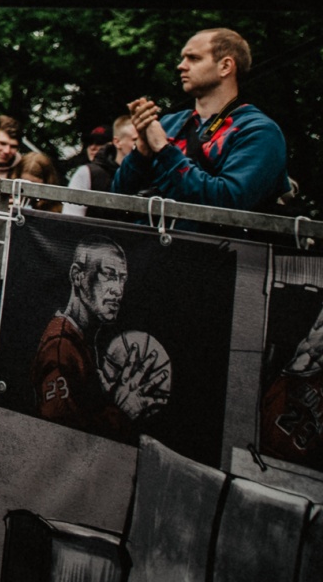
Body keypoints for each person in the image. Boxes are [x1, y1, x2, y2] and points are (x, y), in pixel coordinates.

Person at [114, 27, 288, 210]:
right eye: (183, 58)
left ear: (225, 67)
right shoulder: (168, 124)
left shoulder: (259, 131)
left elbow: (229, 203)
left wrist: (164, 149)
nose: (181, 66)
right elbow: (116, 201)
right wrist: (142, 148)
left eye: (194, 58)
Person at [32, 237, 162, 436]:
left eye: (122, 279)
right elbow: (59, 432)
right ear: (77, 276)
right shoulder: (60, 347)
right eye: (108, 275)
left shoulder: (81, 338)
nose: (118, 290)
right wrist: (121, 412)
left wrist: (107, 398)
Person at [60, 119, 137, 216]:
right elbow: (71, 217)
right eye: (89, 143)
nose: (92, 147)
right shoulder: (87, 172)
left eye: (100, 142)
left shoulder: (141, 172)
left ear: (113, 143)